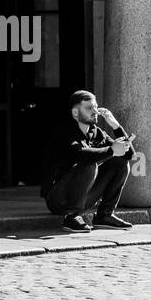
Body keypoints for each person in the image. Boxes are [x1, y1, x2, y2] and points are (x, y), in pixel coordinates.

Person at [41, 90, 134, 232]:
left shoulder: (96, 132)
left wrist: (115, 126)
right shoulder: (65, 132)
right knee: (89, 164)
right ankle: (71, 217)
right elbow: (81, 155)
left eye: (95, 107)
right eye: (89, 108)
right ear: (75, 113)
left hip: (83, 198)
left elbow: (129, 155)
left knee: (120, 163)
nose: (95, 111)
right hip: (58, 199)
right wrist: (111, 150)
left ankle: (105, 215)